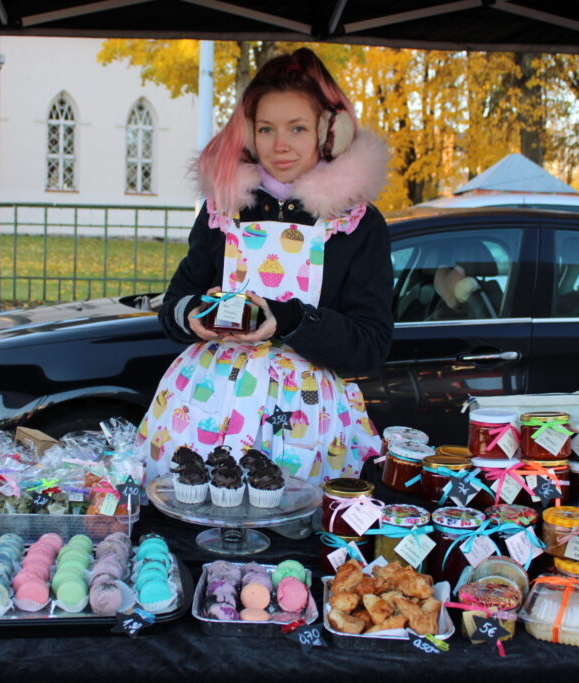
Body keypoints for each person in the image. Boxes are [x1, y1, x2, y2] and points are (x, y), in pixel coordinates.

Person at [136, 47, 392, 484]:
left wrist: (287, 320)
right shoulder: (224, 209)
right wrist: (194, 316)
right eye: (266, 128)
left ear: (329, 132)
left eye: (297, 128)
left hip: (307, 428)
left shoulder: (356, 225)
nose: (280, 145)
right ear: (249, 134)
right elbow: (175, 304)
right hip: (204, 413)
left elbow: (369, 344)